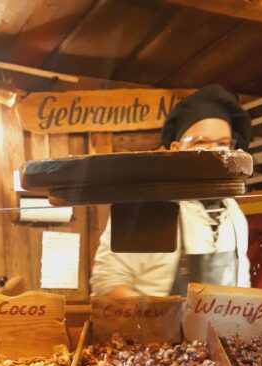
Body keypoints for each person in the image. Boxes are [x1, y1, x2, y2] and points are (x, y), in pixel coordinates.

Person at [90, 84, 253, 298]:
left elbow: (242, 283)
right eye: (200, 142)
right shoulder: (149, 209)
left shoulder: (232, 211)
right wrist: (155, 315)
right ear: (176, 149)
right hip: (159, 320)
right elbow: (107, 283)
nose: (214, 152)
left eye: (222, 143)